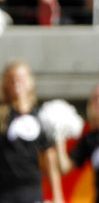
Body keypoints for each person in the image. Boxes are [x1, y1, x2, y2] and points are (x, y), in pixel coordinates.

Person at [0, 60, 64, 203]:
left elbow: (50, 160)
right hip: (5, 190)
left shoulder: (42, 116)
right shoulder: (2, 115)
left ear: (30, 81)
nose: (16, 82)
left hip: (31, 190)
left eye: (21, 78)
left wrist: (58, 197)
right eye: (12, 79)